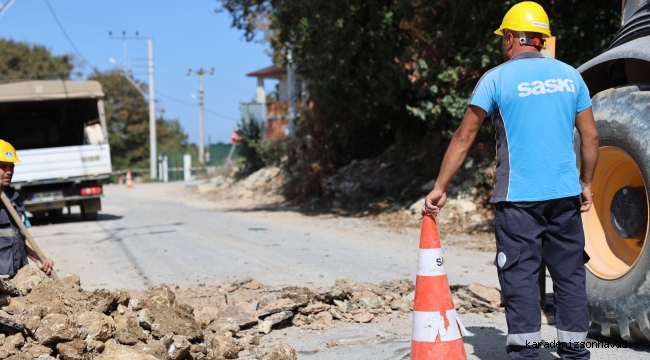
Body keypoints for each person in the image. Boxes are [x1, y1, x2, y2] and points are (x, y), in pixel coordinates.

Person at [421, 2, 599, 359]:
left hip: (518, 201)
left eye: (505, 37)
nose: (503, 43)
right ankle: (576, 354)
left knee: (519, 280)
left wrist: (440, 187)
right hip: (565, 198)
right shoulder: (571, 76)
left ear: (514, 39)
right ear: (541, 40)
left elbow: (463, 137)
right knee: (569, 279)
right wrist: (586, 183)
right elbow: (591, 137)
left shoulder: (496, 78)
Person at [0, 139, 55, 277]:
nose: (9, 171)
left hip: (19, 276)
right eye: (3, 166)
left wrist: (39, 259)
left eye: (11, 166)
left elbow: (22, 236)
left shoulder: (14, 198)